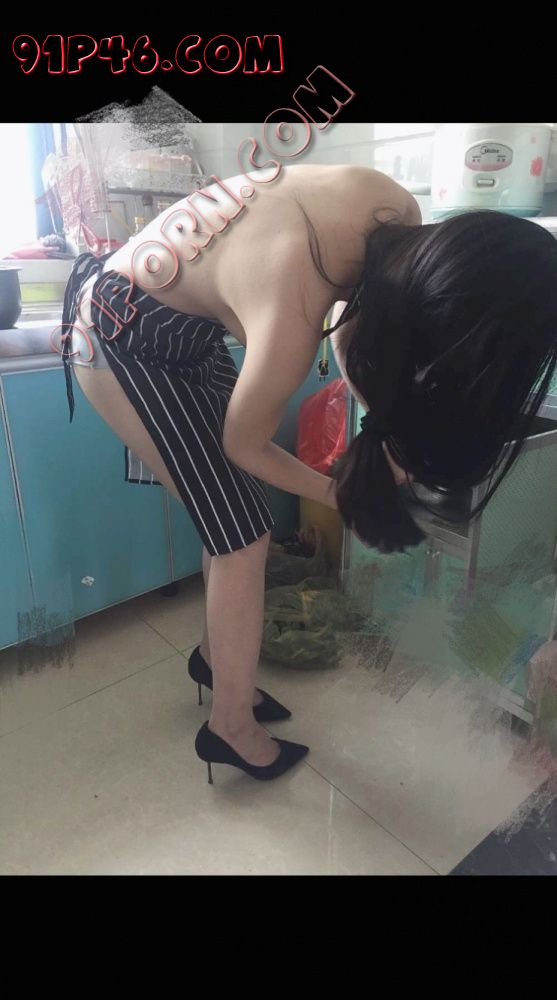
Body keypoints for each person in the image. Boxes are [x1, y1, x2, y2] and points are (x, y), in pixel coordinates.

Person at [59, 162, 557, 783]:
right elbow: (245, 445)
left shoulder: (391, 209)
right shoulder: (291, 305)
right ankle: (229, 728)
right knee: (242, 535)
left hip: (182, 328)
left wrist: (380, 427)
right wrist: (340, 492)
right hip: (117, 333)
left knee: (234, 518)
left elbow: (359, 319)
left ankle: (216, 663)